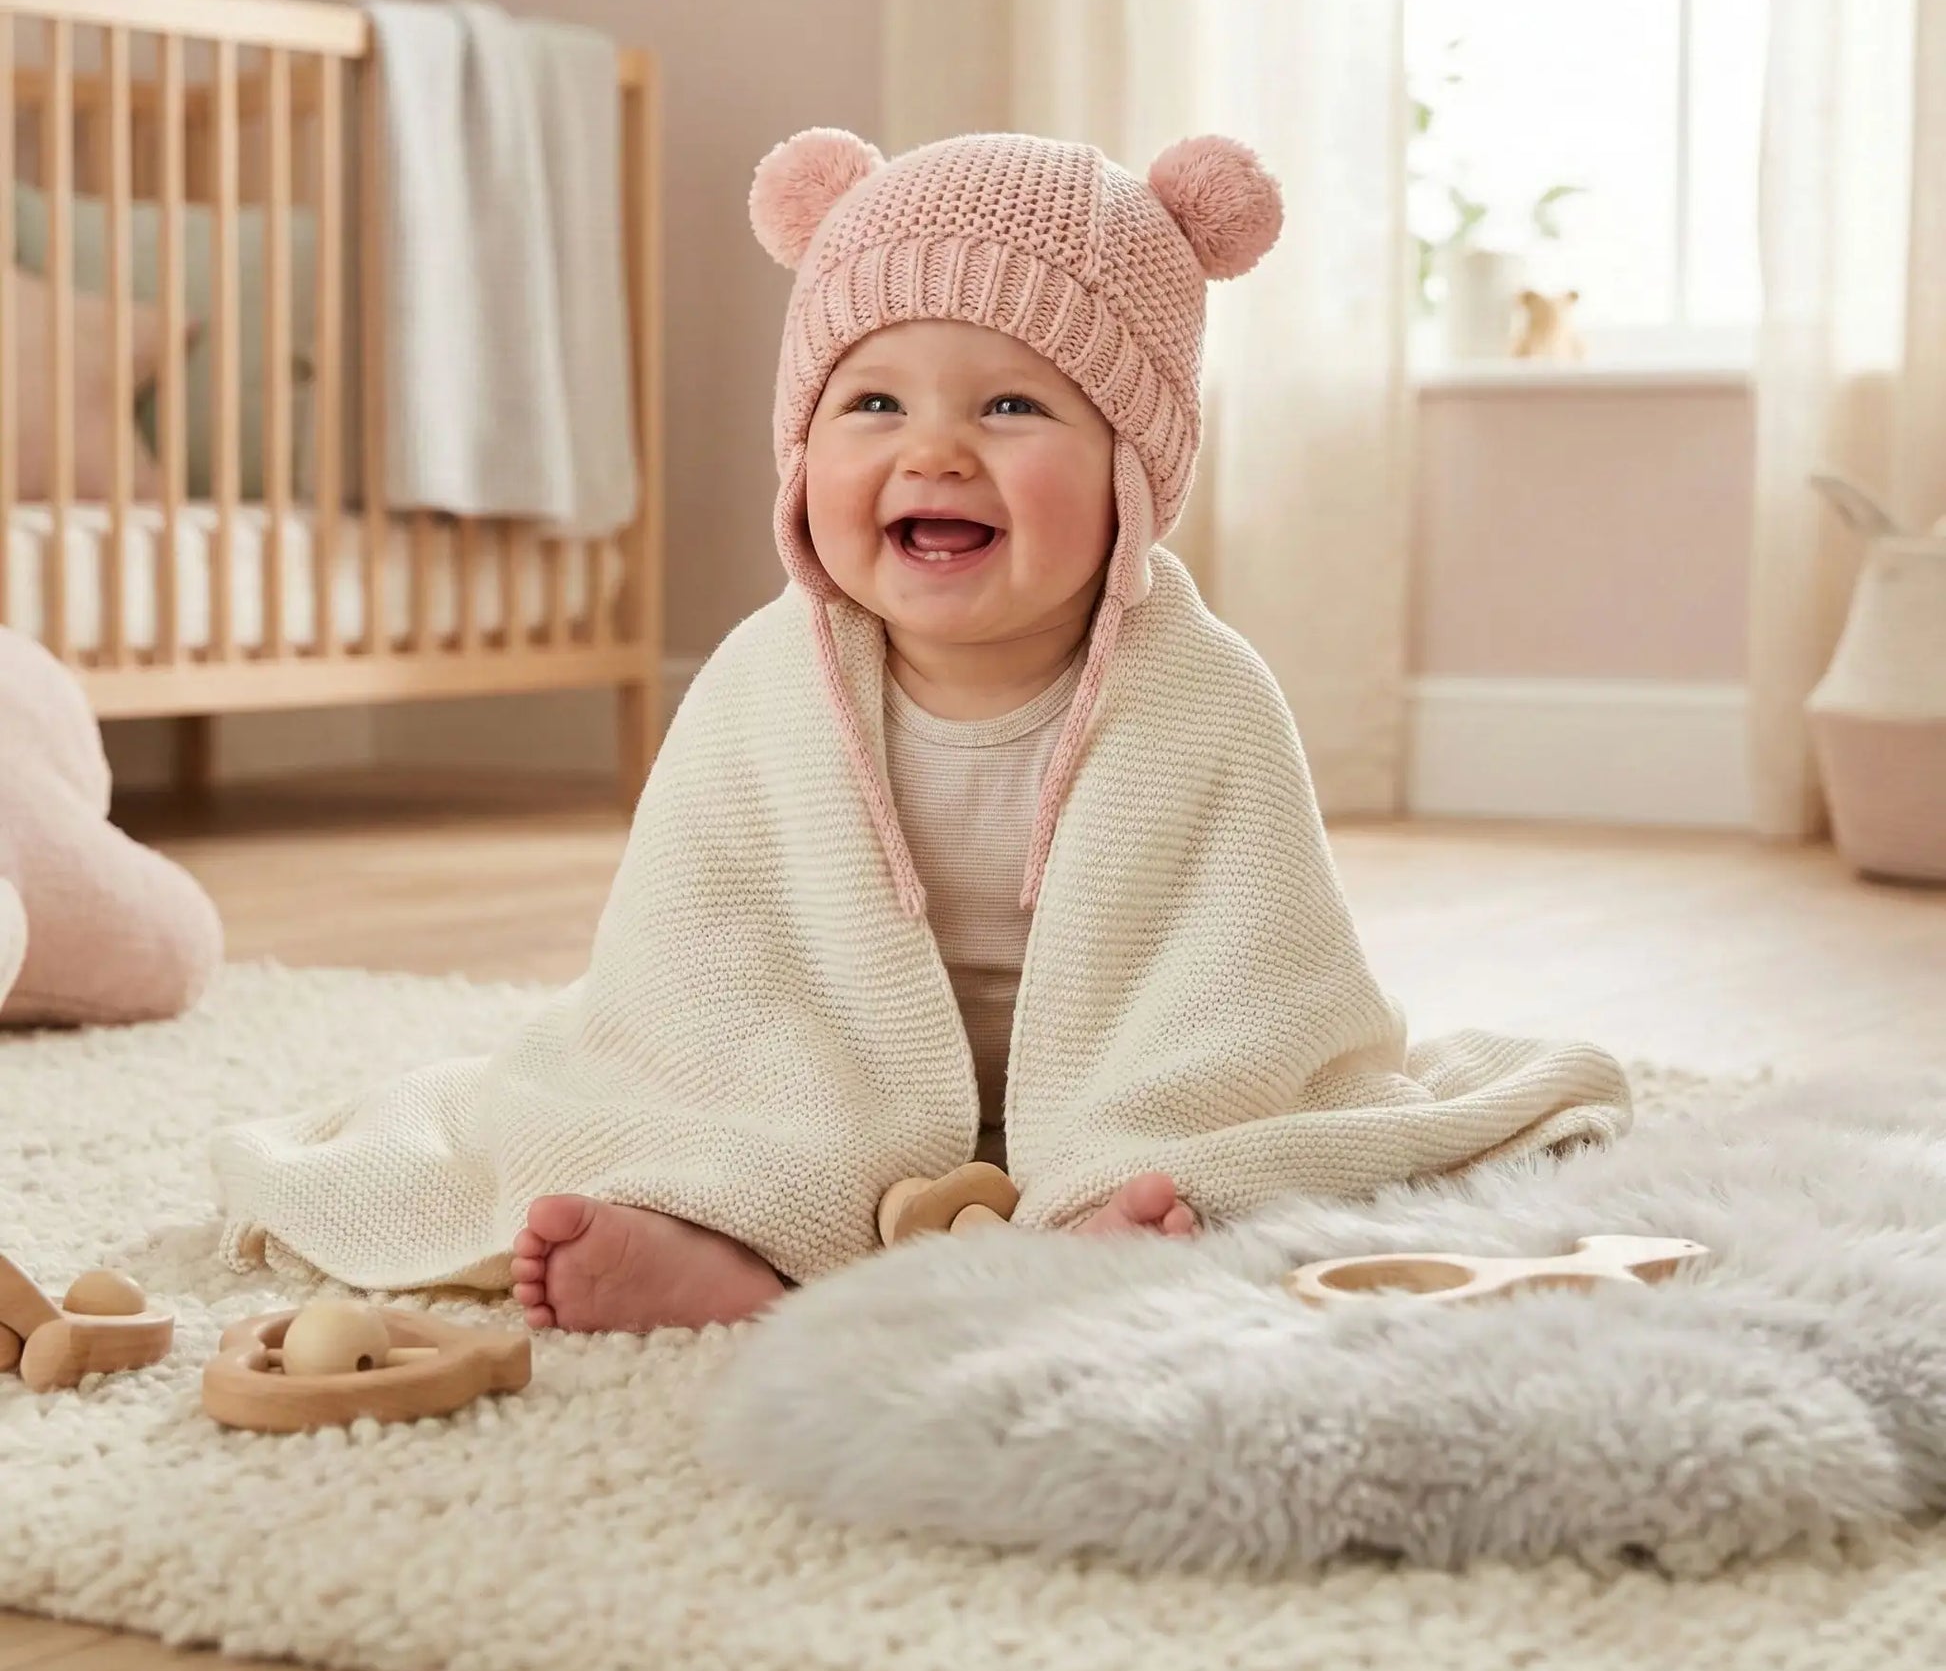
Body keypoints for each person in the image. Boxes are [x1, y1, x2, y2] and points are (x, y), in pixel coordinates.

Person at [215, 128, 1630, 1331]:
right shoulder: (766, 684)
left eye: (1011, 404)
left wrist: (1167, 1125)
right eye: (872, 402)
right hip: (806, 1062)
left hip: (1133, 1056)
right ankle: (732, 1233)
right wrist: (715, 1110)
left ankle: (1125, 1201)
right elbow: (698, 966)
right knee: (621, 1108)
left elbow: (1253, 971)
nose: (932, 450)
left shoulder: (1202, 692)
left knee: (1277, 1139)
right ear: (806, 450)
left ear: (1133, 467)